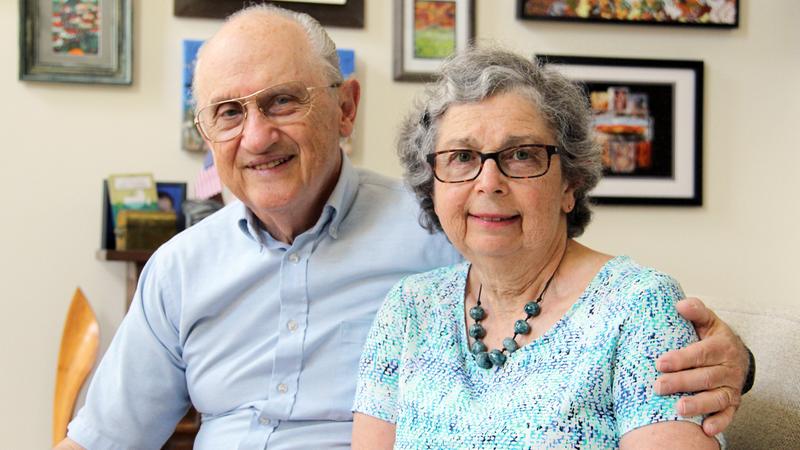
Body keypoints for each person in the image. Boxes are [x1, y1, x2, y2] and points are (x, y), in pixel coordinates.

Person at [56, 5, 750, 450]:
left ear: (346, 107)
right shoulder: (179, 269)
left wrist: (738, 363)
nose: (257, 135)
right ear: (206, 132)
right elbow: (104, 439)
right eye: (228, 113)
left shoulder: (447, 228)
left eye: (281, 101)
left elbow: (599, 308)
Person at [351, 47, 723, 449]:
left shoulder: (639, 308)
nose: (488, 182)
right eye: (461, 157)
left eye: (522, 155)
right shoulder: (409, 308)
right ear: (433, 186)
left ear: (569, 185)